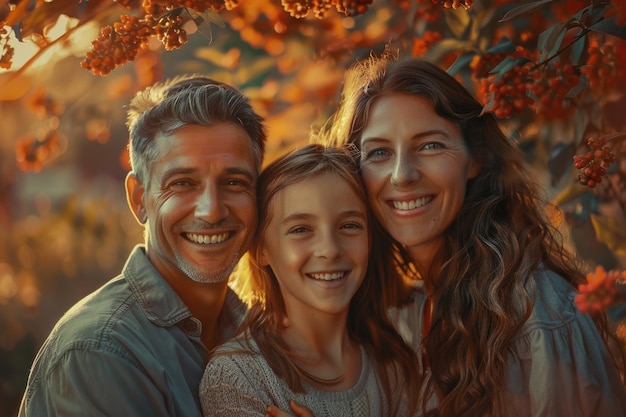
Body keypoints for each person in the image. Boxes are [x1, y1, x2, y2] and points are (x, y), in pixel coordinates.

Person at [314, 50, 626, 417]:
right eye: (379, 152)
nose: (402, 175)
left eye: (430, 145)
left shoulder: (536, 316)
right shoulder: (401, 315)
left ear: (475, 157)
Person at [18, 75, 267, 416]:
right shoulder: (100, 353)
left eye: (234, 182)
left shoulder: (261, 332)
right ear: (139, 199)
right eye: (183, 183)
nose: (211, 210)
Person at [199, 144, 421, 417]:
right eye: (301, 229)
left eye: (349, 225)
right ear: (261, 249)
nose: (329, 249)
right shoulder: (238, 377)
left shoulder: (393, 367)